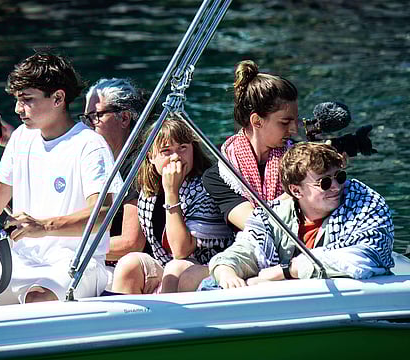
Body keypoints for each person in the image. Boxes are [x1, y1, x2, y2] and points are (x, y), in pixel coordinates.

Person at [0, 51, 122, 303]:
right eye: (17, 100)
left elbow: (102, 217)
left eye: (27, 100)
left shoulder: (90, 145)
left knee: (37, 299)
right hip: (19, 262)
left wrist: (43, 227)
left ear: (58, 98)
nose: (17, 109)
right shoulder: (21, 137)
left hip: (75, 264)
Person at [205, 142, 394, 289]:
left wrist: (286, 271)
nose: (336, 186)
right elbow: (246, 248)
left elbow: (364, 258)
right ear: (296, 191)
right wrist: (226, 271)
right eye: (324, 183)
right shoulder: (273, 215)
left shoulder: (365, 203)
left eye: (340, 176)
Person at [111, 116, 235, 294]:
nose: (176, 157)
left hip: (210, 266)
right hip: (168, 266)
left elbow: (181, 251)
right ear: (151, 157)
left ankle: (166, 321)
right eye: (166, 151)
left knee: (175, 269)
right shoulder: (148, 192)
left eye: (183, 148)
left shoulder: (204, 188)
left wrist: (171, 193)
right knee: (129, 264)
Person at [202, 60, 298, 232]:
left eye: (295, 121)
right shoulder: (220, 175)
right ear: (256, 121)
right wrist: (299, 192)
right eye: (285, 122)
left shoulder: (301, 157)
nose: (294, 130)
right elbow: (255, 226)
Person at [81, 78, 147, 287]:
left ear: (124, 118)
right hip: (106, 260)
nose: (88, 125)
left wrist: (68, 246)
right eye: (85, 117)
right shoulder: (101, 162)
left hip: (133, 267)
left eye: (95, 116)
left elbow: (131, 242)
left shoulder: (137, 164)